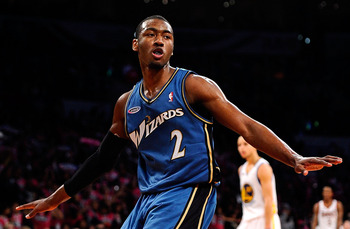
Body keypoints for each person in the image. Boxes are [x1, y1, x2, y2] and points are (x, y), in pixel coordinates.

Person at [16, 15, 342, 229]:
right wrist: (54, 198)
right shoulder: (125, 105)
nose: (159, 40)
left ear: (172, 46)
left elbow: (246, 126)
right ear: (135, 44)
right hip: (148, 199)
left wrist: (294, 158)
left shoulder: (192, 85)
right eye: (151, 34)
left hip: (189, 190)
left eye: (167, 36)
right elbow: (102, 160)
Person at [236, 136, 281, 229]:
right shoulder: (241, 169)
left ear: (255, 145)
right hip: (247, 219)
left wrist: (267, 226)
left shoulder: (263, 167)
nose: (242, 148)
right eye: (239, 145)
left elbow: (269, 200)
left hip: (264, 218)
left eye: (245, 144)